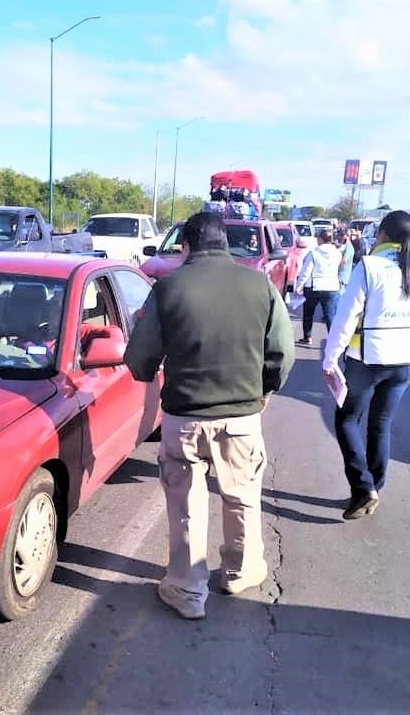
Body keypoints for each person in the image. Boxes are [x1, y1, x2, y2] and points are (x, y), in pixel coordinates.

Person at [124, 211, 295, 620]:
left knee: (185, 504)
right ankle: (240, 570)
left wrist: (147, 373)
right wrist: (265, 389)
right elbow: (282, 353)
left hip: (183, 417)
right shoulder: (260, 285)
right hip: (241, 416)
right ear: (225, 243)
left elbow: (140, 357)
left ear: (187, 246)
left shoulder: (167, 288)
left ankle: (186, 590)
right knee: (242, 496)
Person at [322, 210, 410, 520]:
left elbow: (346, 316)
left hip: (368, 361)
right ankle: (374, 487)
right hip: (406, 363)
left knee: (347, 421)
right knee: (380, 425)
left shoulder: (369, 266)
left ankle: (364, 488)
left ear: (381, 235)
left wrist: (330, 358)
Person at [294, 229, 342, 345]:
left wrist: (299, 287)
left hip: (314, 287)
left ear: (320, 239)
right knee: (330, 315)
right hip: (332, 286)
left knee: (308, 313)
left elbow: (306, 272)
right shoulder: (337, 253)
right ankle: (333, 340)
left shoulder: (314, 253)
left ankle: (308, 337)